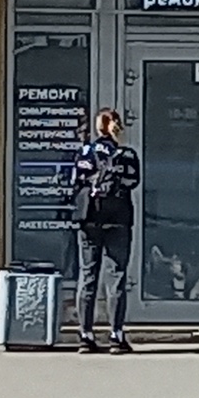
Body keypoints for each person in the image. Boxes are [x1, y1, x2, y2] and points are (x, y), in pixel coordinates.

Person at [66, 106, 142, 354]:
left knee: (88, 275)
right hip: (118, 219)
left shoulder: (85, 152)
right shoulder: (127, 155)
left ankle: (85, 335)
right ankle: (116, 335)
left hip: (90, 219)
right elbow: (133, 182)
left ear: (98, 128)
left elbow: (74, 181)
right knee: (116, 275)